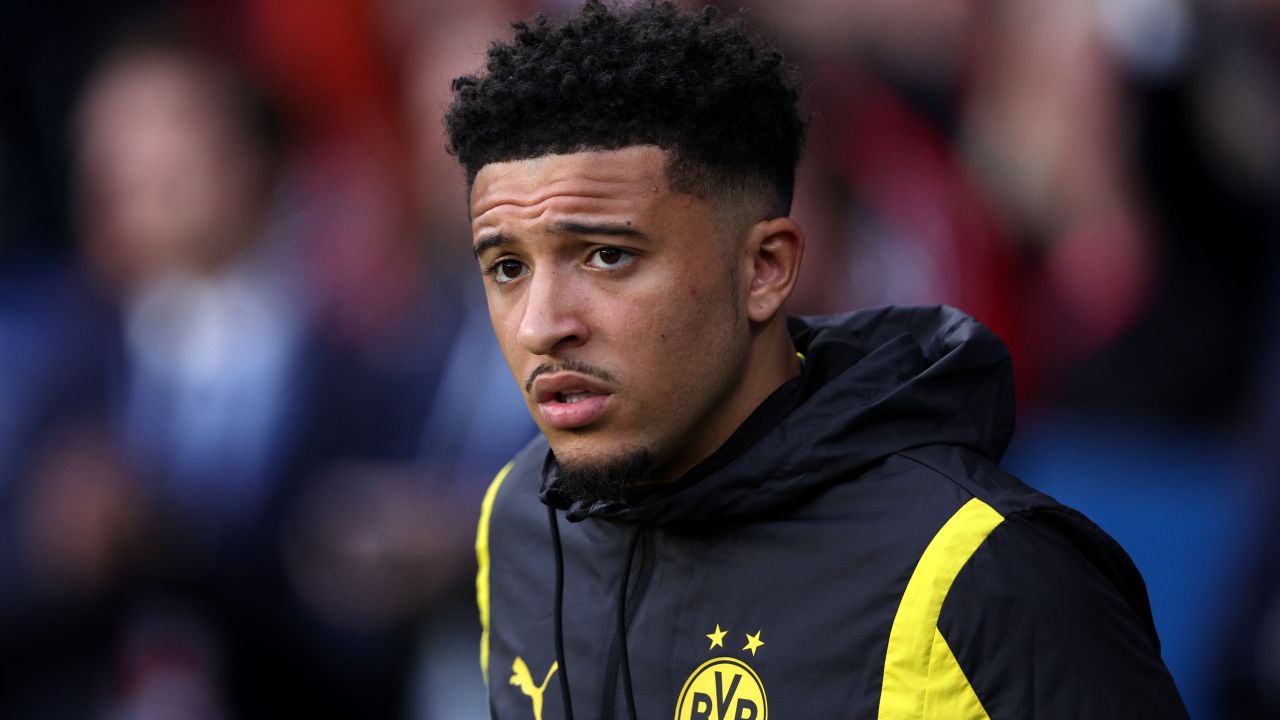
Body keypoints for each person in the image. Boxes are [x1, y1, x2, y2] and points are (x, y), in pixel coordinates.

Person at [445, 2, 1189, 718]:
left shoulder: (983, 575)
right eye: (507, 267)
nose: (542, 325)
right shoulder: (518, 521)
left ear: (765, 268)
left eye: (608, 255)